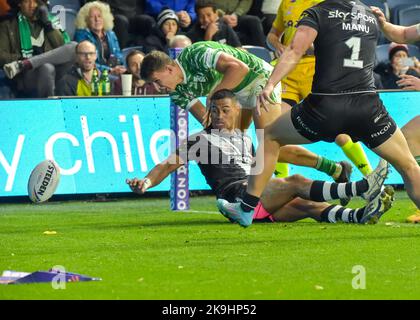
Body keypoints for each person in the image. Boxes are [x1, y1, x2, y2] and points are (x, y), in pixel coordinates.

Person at [217, 0, 420, 227]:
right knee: (410, 166)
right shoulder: (370, 16)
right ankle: (368, 180)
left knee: (271, 136)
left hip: (326, 107)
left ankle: (246, 209)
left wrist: (271, 83)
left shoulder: (317, 12)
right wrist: (382, 22)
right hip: (367, 107)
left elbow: (295, 51)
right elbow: (401, 34)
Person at [127, 89, 394, 225]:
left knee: (307, 206)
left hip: (260, 204)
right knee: (295, 182)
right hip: (238, 199)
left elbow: (275, 154)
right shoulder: (199, 140)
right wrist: (146, 182)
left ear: (236, 111)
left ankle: (360, 216)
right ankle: (362, 187)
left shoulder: (243, 136)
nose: (219, 116)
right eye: (214, 111)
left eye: (224, 110)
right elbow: (167, 164)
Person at [140, 41, 353, 185]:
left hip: (259, 80)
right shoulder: (177, 93)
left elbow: (239, 68)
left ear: (169, 69)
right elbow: (208, 119)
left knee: (268, 143)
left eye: (157, 82)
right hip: (233, 97)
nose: (158, 88)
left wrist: (214, 94)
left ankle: (331, 169)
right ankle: (335, 170)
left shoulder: (195, 54)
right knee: (244, 151)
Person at [267, 0, 373, 183]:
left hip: (316, 73)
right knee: (273, 131)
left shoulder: (322, 3)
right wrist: (277, 44)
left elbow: (338, 40)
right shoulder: (286, 3)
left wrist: (308, 47)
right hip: (288, 74)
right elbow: (272, 34)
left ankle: (371, 179)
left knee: (341, 133)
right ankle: (280, 187)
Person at [0, 0, 76, 97]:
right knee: (46, 67)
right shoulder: (7, 25)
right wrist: (21, 58)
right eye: (27, 1)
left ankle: (25, 64)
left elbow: (62, 47)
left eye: (36, 1)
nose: (32, 5)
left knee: (74, 47)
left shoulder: (50, 22)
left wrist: (48, 25)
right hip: (26, 75)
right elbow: (1, 55)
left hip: (57, 70)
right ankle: (48, 107)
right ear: (19, 3)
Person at [74, 1, 126, 76]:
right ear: (86, 20)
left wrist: (118, 66)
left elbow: (118, 54)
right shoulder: (81, 35)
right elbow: (86, 61)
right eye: (92, 17)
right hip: (94, 73)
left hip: (113, 70)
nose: (97, 19)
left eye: (99, 16)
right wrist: (109, 70)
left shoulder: (111, 34)